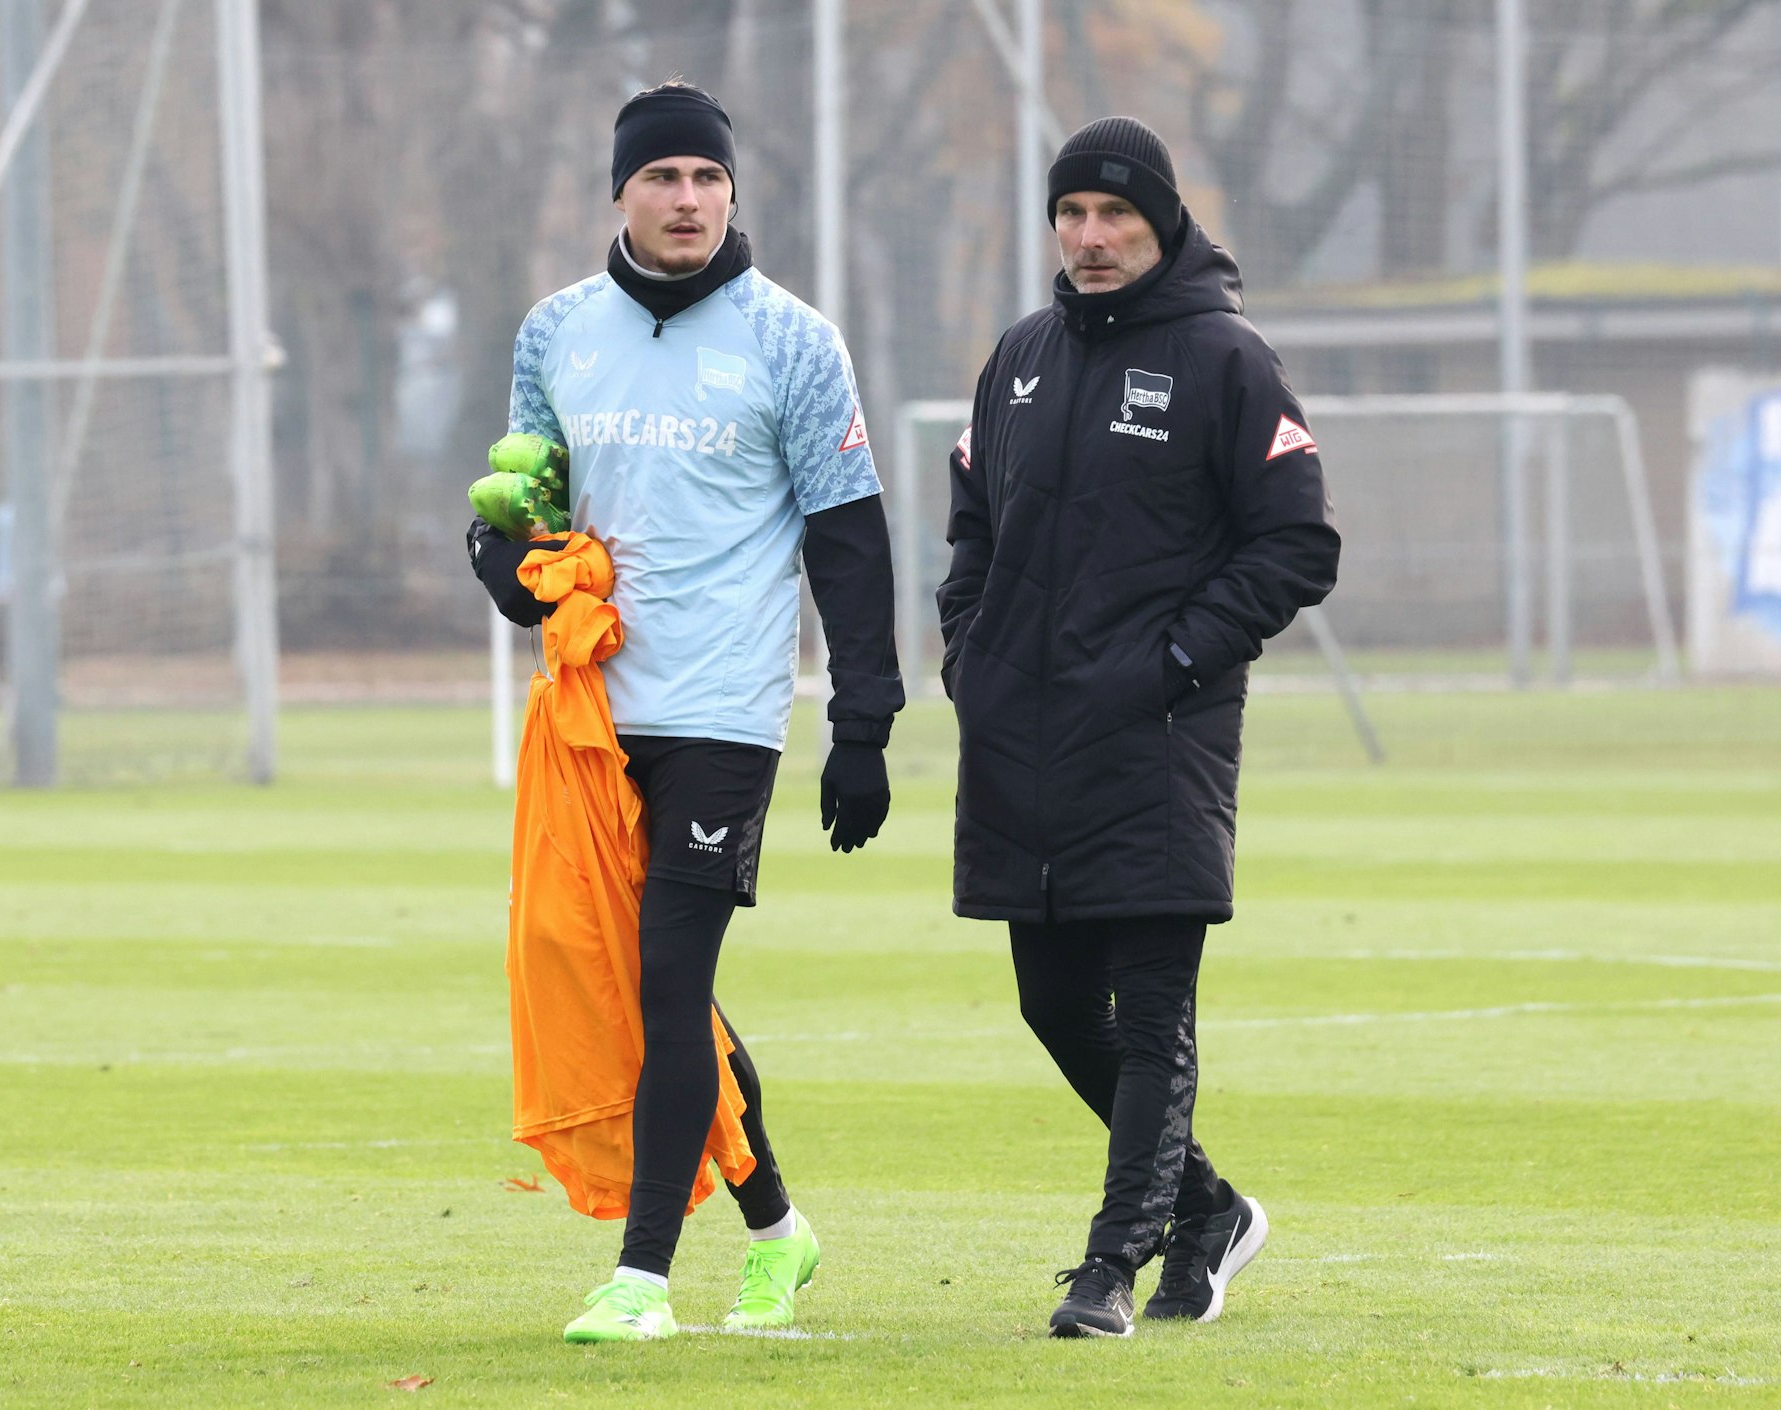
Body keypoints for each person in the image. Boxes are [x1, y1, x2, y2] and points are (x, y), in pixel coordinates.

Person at [467, 79, 903, 1342]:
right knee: (654, 989)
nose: (688, 199)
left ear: (731, 194)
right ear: (620, 191)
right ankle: (776, 1225)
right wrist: (504, 564)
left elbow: (849, 542)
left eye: (708, 179)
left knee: (665, 980)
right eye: (663, 177)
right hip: (593, 713)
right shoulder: (554, 331)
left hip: (722, 711)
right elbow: (521, 499)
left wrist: (860, 723)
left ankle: (641, 1276)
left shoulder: (793, 341)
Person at [936, 117, 1340, 1338]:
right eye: (1071, 213)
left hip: (1157, 740)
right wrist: (971, 652)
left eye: (1115, 214)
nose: (1092, 235)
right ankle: (1208, 1209)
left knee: (1154, 1011)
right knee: (1053, 1007)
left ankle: (1112, 1268)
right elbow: (971, 527)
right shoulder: (1016, 357)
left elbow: (1296, 541)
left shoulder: (1226, 359)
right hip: (1019, 740)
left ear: (1160, 222)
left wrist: (1173, 659)